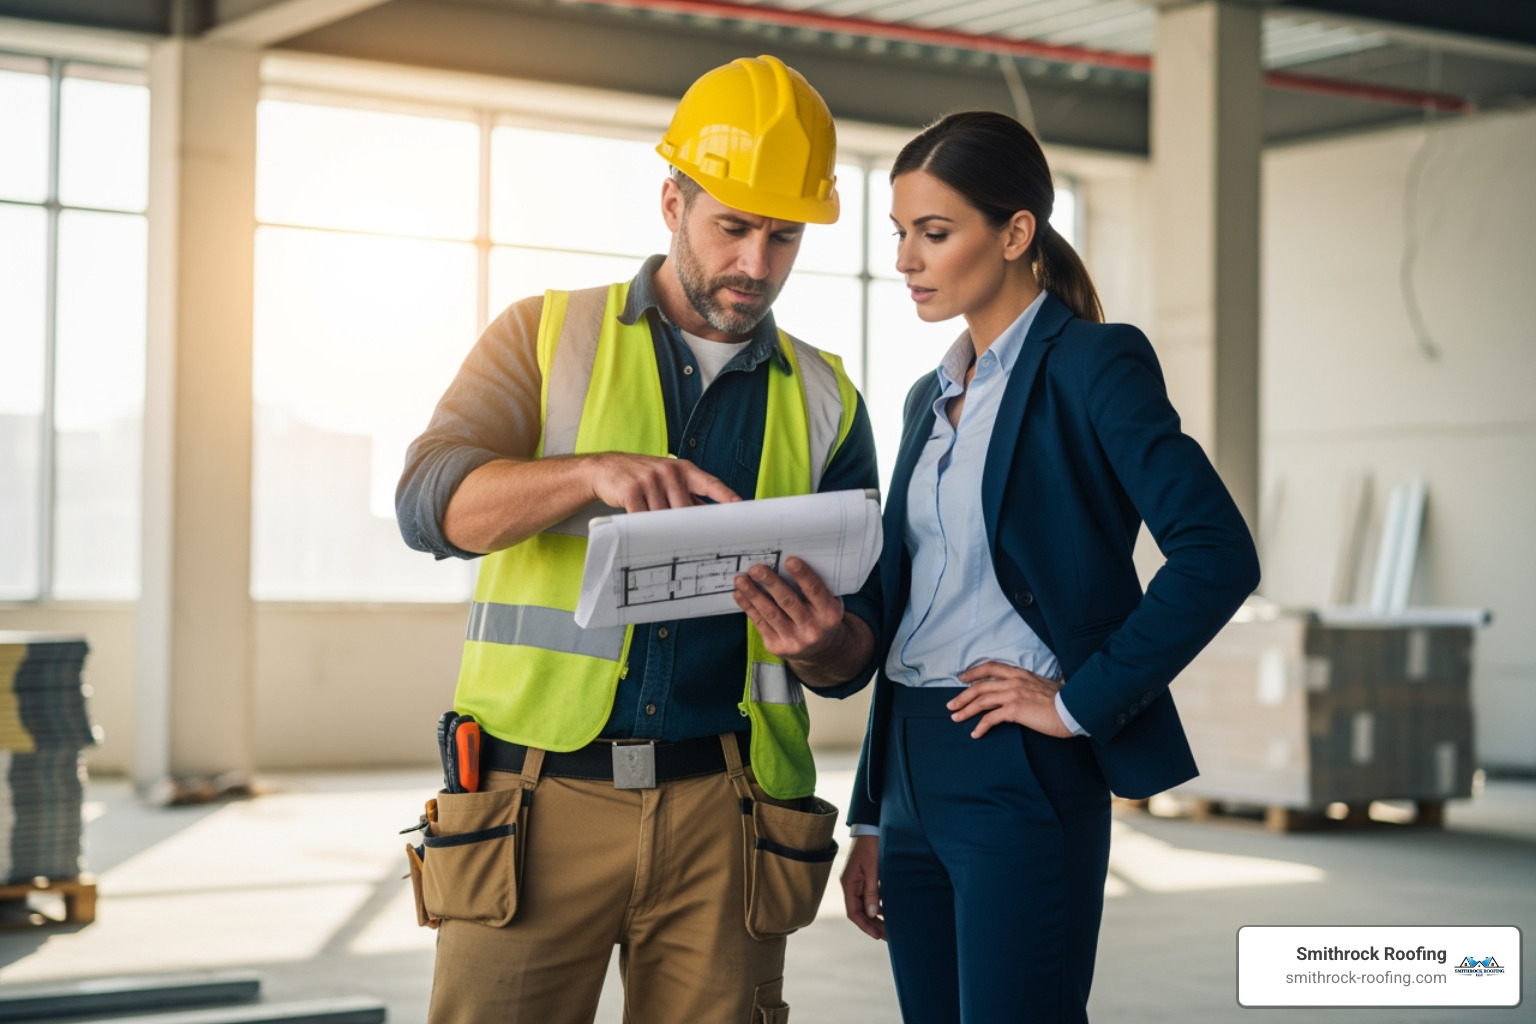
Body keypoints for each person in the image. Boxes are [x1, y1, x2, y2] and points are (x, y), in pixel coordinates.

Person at [739, 111, 1261, 1023]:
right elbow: (907, 612)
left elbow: (1218, 554)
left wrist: (1074, 703)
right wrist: (871, 812)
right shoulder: (924, 399)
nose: (906, 258)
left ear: (1016, 233)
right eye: (899, 233)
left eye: (934, 234)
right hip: (911, 774)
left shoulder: (1096, 365)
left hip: (1020, 768)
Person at [395, 55, 881, 1024]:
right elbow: (429, 505)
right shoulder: (542, 335)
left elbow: (860, 641)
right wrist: (588, 473)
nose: (756, 263)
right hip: (534, 804)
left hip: (727, 812)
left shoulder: (828, 398)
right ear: (671, 201)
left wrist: (828, 644)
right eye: (732, 227)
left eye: (783, 237)